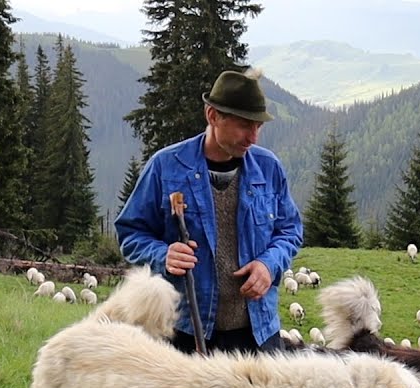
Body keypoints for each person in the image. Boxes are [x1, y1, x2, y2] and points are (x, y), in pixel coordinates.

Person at [116, 67, 303, 354]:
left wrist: (269, 264)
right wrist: (163, 255)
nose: (253, 137)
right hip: (185, 333)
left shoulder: (269, 168)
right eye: (244, 125)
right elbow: (130, 233)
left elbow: (290, 230)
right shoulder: (165, 167)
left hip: (258, 336)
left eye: (258, 126)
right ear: (213, 115)